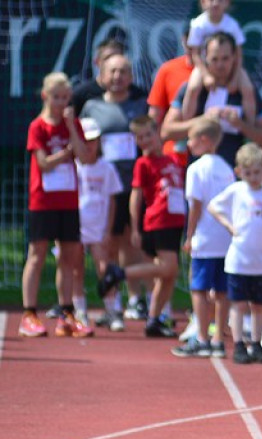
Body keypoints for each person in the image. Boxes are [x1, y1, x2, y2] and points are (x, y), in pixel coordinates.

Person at [96, 115, 186, 338]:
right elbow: (135, 198)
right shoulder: (143, 163)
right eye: (140, 138)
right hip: (159, 220)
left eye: (148, 135)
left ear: (158, 133)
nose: (146, 140)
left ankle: (154, 320)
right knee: (167, 267)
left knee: (169, 274)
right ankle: (119, 273)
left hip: (175, 221)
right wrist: (135, 228)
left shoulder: (172, 160)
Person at [207, 142, 262, 364]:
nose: (253, 177)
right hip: (239, 260)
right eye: (248, 173)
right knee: (239, 304)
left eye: (257, 172)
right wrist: (229, 225)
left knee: (259, 304)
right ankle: (239, 344)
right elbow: (213, 206)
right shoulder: (237, 191)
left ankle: (256, 343)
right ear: (239, 172)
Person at [20, 72, 92, 339]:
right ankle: (29, 313)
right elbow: (44, 163)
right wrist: (65, 154)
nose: (61, 103)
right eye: (56, 97)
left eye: (65, 98)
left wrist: (72, 128)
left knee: (69, 257)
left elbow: (84, 158)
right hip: (43, 200)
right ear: (45, 96)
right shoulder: (37, 126)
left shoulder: (72, 125)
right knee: (37, 254)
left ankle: (66, 313)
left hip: (68, 200)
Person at [81, 53, 151, 322]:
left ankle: (136, 300)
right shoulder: (91, 107)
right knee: (106, 245)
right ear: (102, 74)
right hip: (102, 189)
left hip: (133, 186)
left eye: (123, 71)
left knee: (132, 243)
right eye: (112, 71)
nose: (117, 77)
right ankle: (114, 304)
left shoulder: (140, 105)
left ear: (131, 77)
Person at [171, 118, 238, 358]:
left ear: (204, 140)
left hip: (205, 237)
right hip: (224, 237)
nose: (188, 144)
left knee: (198, 288)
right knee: (221, 290)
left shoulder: (196, 168)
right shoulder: (226, 168)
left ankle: (201, 337)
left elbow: (196, 205)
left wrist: (189, 235)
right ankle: (218, 338)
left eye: (191, 138)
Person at [161, 31, 262, 167]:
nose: (220, 65)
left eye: (225, 58)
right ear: (205, 58)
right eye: (214, 59)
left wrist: (240, 124)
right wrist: (203, 120)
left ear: (234, 58)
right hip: (199, 173)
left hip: (234, 173)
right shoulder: (192, 88)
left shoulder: (246, 91)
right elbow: (166, 131)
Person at [75, 117, 124, 330]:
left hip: (99, 228)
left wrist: (108, 230)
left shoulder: (107, 168)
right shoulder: (73, 166)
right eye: (84, 140)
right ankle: (80, 312)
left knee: (104, 268)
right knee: (76, 269)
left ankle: (112, 311)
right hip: (75, 228)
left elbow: (112, 201)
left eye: (93, 140)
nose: (89, 144)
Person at [180, 0, 257, 127]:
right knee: (193, 88)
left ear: (227, 3)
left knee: (248, 89)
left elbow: (238, 54)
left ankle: (249, 129)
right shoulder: (198, 24)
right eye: (210, 0)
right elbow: (195, 54)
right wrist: (206, 75)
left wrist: (235, 77)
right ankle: (186, 129)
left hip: (231, 68)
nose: (215, 4)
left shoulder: (232, 25)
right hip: (204, 67)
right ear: (203, 3)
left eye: (220, 0)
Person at [147, 28, 194, 166]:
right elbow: (154, 116)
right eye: (190, 40)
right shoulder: (168, 70)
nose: (195, 46)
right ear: (183, 41)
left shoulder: (217, 74)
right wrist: (152, 151)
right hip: (173, 157)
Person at [72, 38, 147, 115]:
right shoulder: (80, 95)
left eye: (117, 57)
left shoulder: (139, 96)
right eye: (107, 58)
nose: (113, 62)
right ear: (97, 62)